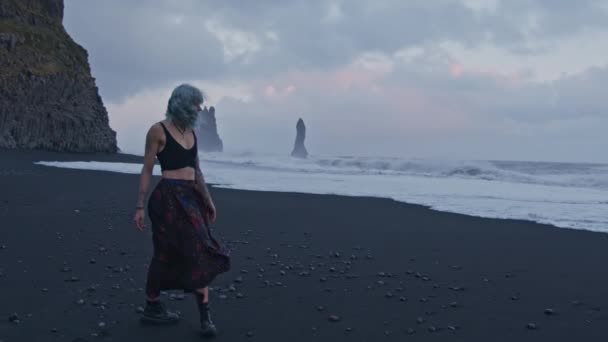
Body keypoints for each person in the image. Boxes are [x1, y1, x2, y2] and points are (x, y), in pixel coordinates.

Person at [133, 84, 230, 338]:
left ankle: (204, 315)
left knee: (201, 248)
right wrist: (139, 206)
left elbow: (196, 170)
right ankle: (152, 304)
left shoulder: (192, 133)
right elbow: (146, 169)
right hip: (167, 198)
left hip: (191, 197)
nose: (199, 108)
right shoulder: (158, 130)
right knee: (164, 252)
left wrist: (208, 200)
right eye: (195, 104)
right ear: (182, 103)